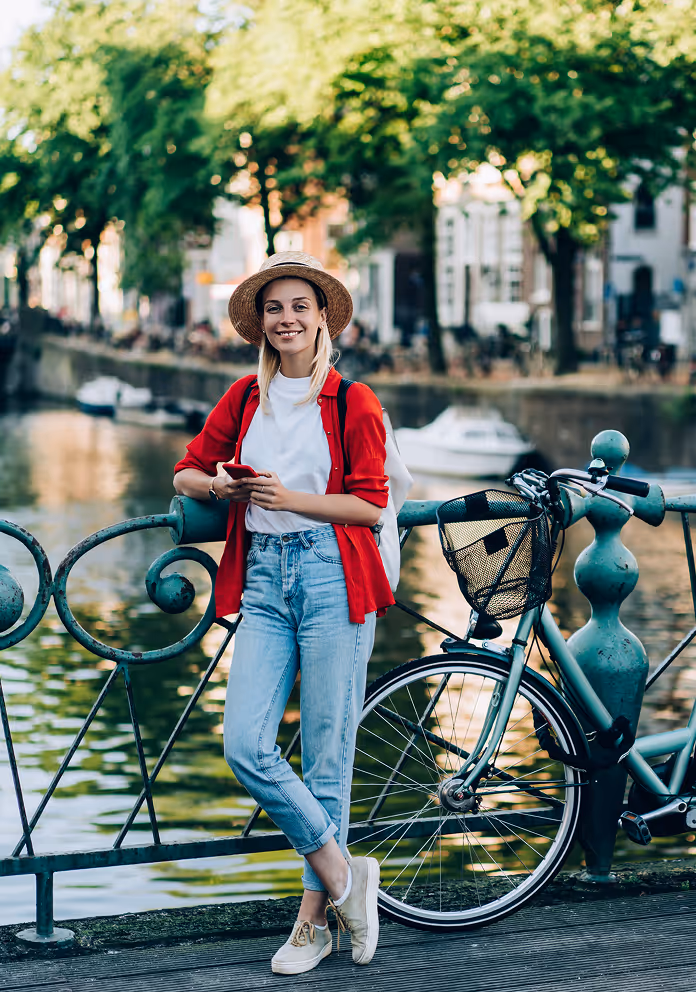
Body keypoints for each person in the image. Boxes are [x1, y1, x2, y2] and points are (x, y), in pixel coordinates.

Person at [172, 251, 394, 976]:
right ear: (261, 325)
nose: (287, 319)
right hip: (264, 581)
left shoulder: (351, 400)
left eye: (300, 306)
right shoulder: (243, 398)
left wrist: (284, 497)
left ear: (322, 316)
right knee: (245, 745)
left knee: (328, 755)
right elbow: (184, 472)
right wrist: (221, 486)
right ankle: (342, 873)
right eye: (274, 309)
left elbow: (369, 504)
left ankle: (311, 925)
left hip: (334, 574)